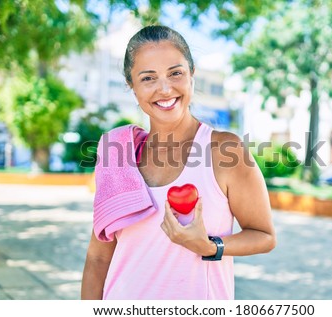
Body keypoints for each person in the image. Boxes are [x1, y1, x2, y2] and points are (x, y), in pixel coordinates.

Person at [81, 25, 276, 300]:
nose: (165, 88)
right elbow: (98, 258)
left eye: (176, 73)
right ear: (131, 86)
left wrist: (210, 246)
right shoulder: (118, 155)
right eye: (148, 78)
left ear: (191, 75)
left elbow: (264, 236)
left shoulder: (225, 150)